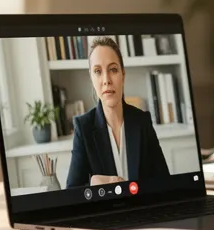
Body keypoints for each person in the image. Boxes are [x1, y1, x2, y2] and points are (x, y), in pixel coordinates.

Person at [66, 37, 170, 188]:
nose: (106, 80)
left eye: (113, 69)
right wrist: (94, 183)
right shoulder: (83, 127)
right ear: (91, 78)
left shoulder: (142, 121)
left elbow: (164, 182)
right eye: (97, 71)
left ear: (123, 75)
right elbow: (71, 191)